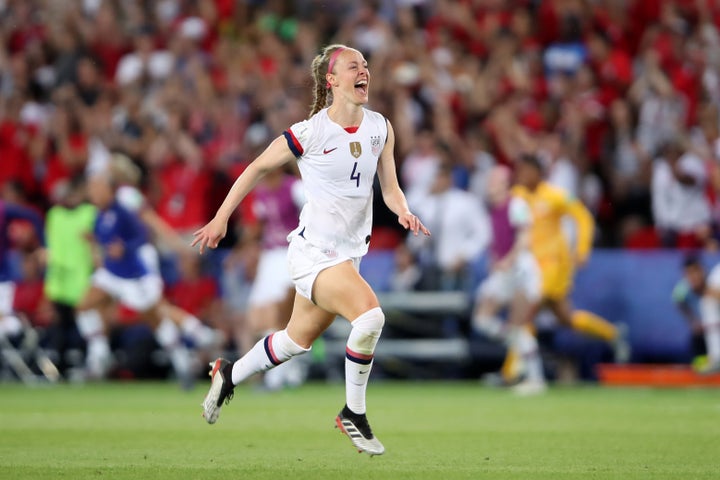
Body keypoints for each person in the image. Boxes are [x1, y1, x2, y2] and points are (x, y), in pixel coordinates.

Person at [192, 44, 430, 456]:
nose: (364, 72)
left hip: (348, 254)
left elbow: (389, 189)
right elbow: (256, 168)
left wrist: (404, 211)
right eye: (354, 66)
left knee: (294, 341)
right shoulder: (310, 132)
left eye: (366, 66)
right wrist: (221, 217)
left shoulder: (380, 128)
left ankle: (228, 373)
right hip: (314, 254)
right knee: (370, 317)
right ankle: (353, 413)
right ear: (331, 80)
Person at [75, 170, 192, 384]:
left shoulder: (123, 211)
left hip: (132, 276)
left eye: (97, 189)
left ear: (109, 190)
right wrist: (93, 239)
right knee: (84, 305)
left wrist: (125, 248)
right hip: (112, 273)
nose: (92, 193)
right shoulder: (100, 214)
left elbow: (142, 236)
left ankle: (181, 360)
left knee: (154, 319)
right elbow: (106, 241)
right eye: (91, 189)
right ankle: (99, 355)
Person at [512, 154, 629, 366]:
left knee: (526, 311)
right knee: (565, 317)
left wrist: (582, 249)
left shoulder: (555, 195)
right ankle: (613, 334)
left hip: (554, 264)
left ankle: (513, 371)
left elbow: (582, 215)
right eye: (521, 171)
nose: (523, 175)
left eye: (528, 170)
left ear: (539, 173)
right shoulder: (519, 196)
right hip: (531, 265)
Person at [471, 166, 545, 394]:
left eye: (495, 179)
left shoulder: (517, 204)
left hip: (522, 271)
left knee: (519, 325)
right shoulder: (492, 210)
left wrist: (508, 260)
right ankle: (518, 346)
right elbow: (497, 242)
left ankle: (536, 379)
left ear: (505, 183)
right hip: (504, 273)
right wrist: (496, 260)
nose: (490, 183)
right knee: (482, 319)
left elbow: (525, 237)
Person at [245, 167, 307, 390]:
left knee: (277, 313)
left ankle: (277, 375)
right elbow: (260, 226)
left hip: (290, 251)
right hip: (269, 255)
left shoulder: (294, 187)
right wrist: (246, 252)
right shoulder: (261, 192)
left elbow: (314, 212)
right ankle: (290, 368)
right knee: (256, 318)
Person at [672, 255, 720, 374]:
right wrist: (693, 320)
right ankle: (706, 366)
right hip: (706, 329)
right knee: (697, 338)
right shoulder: (683, 288)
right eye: (688, 273)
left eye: (695, 271)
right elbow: (678, 302)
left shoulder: (713, 279)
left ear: (702, 270)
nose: (693, 276)